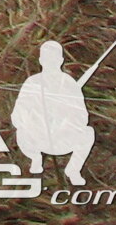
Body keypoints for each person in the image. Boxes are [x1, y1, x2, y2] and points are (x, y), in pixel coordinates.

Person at [12, 41, 98, 185]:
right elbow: (18, 114)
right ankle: (35, 159)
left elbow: (82, 116)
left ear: (61, 60)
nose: (50, 63)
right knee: (21, 132)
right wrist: (34, 121)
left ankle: (73, 170)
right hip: (37, 138)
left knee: (88, 133)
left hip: (62, 138)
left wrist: (65, 120)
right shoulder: (32, 83)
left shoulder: (69, 84)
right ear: (41, 61)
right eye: (47, 59)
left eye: (54, 59)